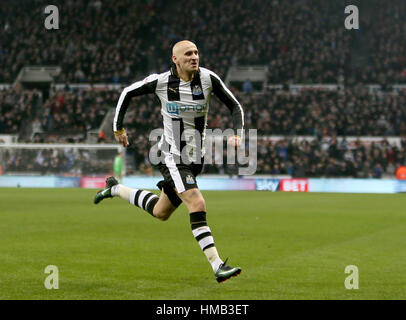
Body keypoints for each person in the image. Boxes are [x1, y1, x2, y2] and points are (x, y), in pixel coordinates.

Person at [94, 40, 244, 283]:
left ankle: (115, 188)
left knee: (160, 212)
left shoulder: (207, 79)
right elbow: (127, 92)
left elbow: (234, 106)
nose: (194, 57)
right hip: (171, 156)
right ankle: (217, 266)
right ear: (175, 59)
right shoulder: (161, 81)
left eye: (196, 52)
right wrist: (118, 127)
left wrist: (237, 132)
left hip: (195, 159)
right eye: (188, 54)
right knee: (196, 202)